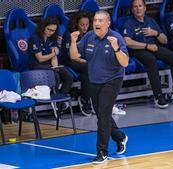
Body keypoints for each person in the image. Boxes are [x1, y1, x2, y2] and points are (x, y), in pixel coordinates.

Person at [69, 10, 128, 164]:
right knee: (102, 114)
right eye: (95, 20)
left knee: (102, 116)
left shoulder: (116, 38)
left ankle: (102, 152)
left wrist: (116, 48)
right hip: (94, 80)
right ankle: (120, 136)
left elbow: (125, 63)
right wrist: (74, 42)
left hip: (112, 80)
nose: (96, 23)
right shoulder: (89, 37)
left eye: (100, 20)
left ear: (108, 23)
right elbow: (74, 56)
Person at [123, 0, 173, 108]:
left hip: (154, 47)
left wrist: (156, 33)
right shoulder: (129, 23)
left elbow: (164, 40)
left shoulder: (151, 21)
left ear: (145, 8)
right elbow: (127, 42)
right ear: (132, 10)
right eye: (135, 7)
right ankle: (158, 96)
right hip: (138, 50)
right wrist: (146, 46)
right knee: (151, 60)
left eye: (140, 6)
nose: (138, 8)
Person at [28, 16, 73, 111]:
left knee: (68, 76)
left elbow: (54, 56)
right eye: (49, 29)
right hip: (36, 66)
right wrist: (53, 54)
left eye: (53, 31)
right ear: (43, 27)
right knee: (55, 76)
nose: (51, 32)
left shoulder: (52, 38)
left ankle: (60, 100)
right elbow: (40, 58)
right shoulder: (35, 38)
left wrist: (55, 66)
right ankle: (55, 101)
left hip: (49, 65)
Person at [62, 11, 94, 116]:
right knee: (88, 67)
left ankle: (88, 97)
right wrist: (84, 60)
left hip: (86, 61)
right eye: (82, 25)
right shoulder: (68, 35)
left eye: (87, 25)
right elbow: (71, 56)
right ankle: (85, 100)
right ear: (76, 24)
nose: (85, 27)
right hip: (70, 61)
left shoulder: (90, 35)